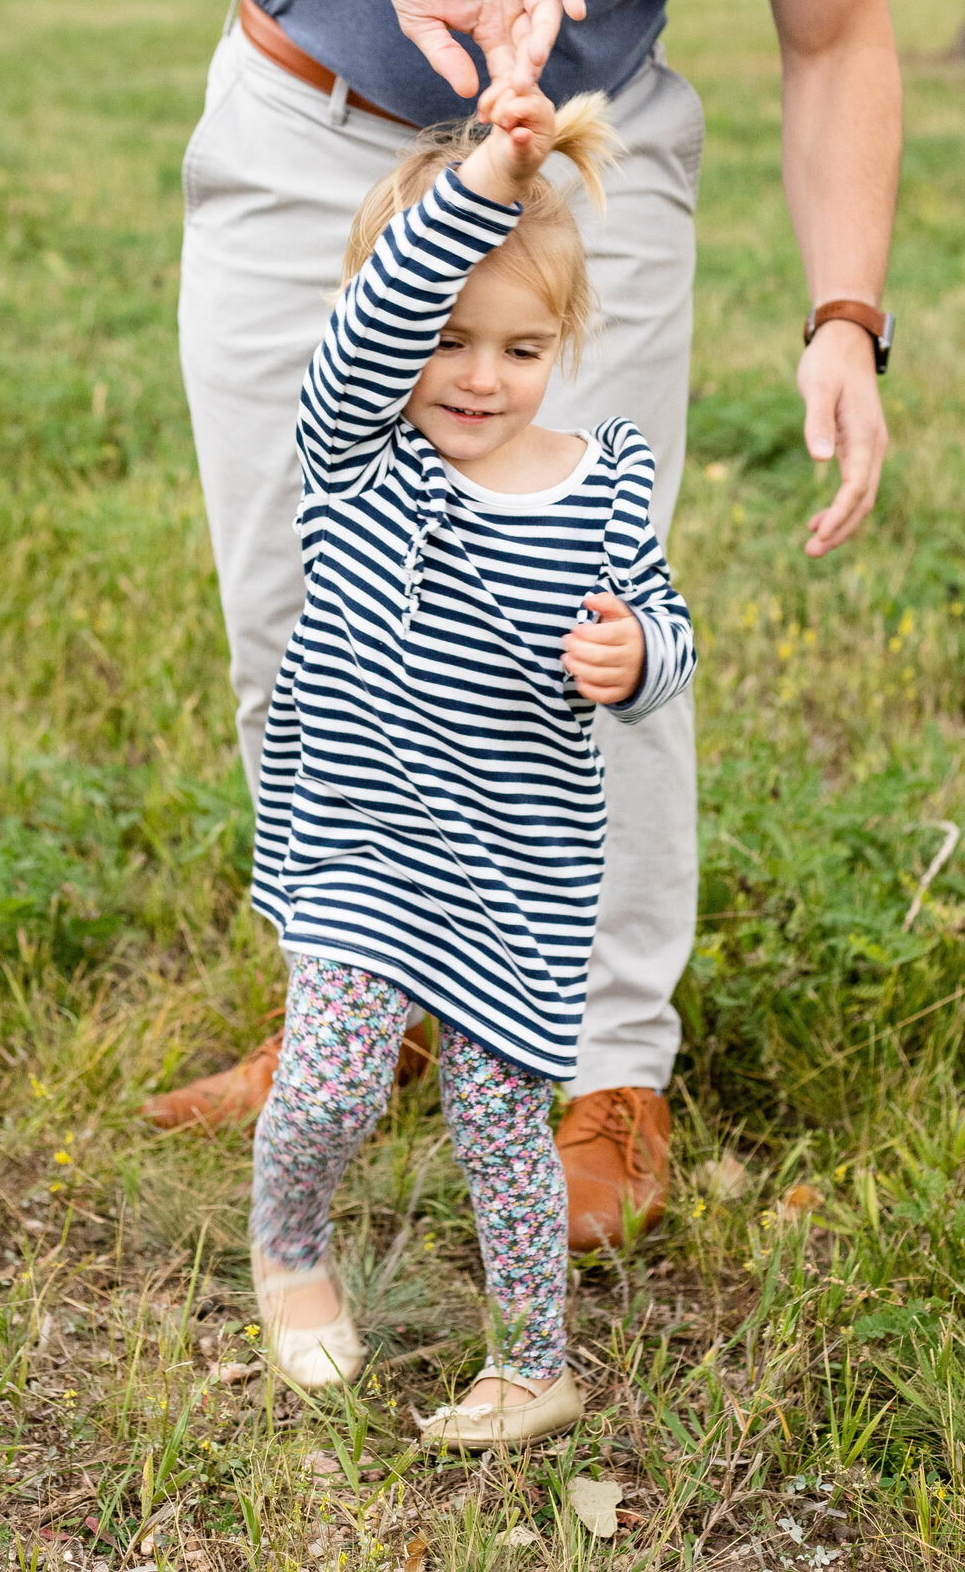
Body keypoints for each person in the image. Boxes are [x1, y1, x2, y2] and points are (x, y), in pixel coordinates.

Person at [144, 0, 903, 1246]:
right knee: (297, 601)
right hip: (317, 127)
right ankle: (363, 1006)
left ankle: (605, 1073)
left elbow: (831, 32)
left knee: (584, 607)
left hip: (578, 157)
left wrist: (843, 316)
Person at [246, 75, 694, 1448]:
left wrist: (638, 658)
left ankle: (535, 1367)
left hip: (515, 873)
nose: (477, 378)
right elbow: (381, 327)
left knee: (504, 1130)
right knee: (325, 1082)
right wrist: (487, 187)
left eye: (518, 347)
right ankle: (290, 1248)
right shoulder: (362, 456)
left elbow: (660, 615)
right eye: (444, 341)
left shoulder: (603, 478)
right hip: (364, 845)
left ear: (564, 342)